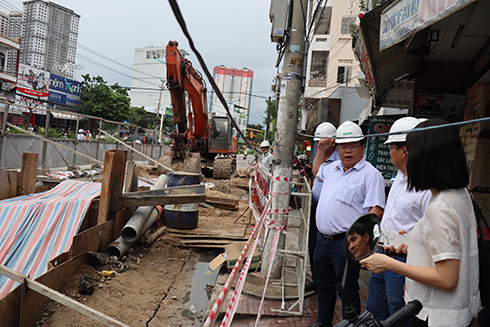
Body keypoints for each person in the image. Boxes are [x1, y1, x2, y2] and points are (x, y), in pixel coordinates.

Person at [360, 119, 480, 327]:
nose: (407, 156)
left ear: (426, 158)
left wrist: (390, 264)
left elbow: (447, 279)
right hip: (456, 311)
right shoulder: (460, 194)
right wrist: (414, 246)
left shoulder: (440, 207)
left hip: (435, 314)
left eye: (410, 150)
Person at [309, 121, 385, 327]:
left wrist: (361, 242)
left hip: (346, 243)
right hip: (323, 240)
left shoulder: (371, 175)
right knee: (324, 284)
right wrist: (321, 151)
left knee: (347, 289)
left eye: (353, 145)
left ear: (362, 147)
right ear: (338, 148)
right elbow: (316, 172)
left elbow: (376, 210)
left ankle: (350, 325)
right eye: (343, 146)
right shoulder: (331, 168)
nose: (348, 150)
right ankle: (322, 323)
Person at [365, 117, 432, 326]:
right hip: (384, 254)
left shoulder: (428, 186)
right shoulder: (399, 178)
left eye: (391, 148)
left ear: (405, 150)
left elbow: (431, 234)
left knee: (400, 316)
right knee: (375, 313)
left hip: (406, 263)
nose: (389, 153)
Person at [305, 122, 339, 292]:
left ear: (333, 141)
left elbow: (318, 173)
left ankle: (325, 281)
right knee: (313, 245)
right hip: (316, 207)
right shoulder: (321, 156)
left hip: (328, 210)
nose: (319, 145)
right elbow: (315, 171)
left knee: (324, 247)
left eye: (322, 142)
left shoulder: (337, 161)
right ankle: (316, 278)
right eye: (318, 142)